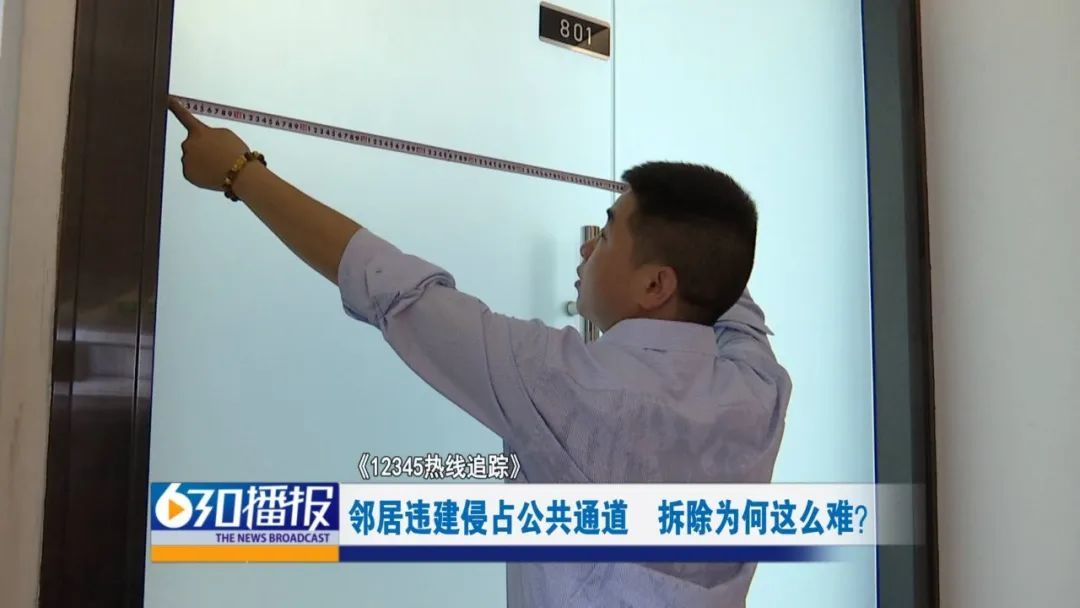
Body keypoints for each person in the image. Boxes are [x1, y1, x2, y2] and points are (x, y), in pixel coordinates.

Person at [168, 97, 792, 608]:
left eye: (604, 236)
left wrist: (239, 173)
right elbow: (723, 284)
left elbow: (393, 287)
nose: (586, 248)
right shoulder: (759, 389)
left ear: (656, 285)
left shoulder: (563, 385)